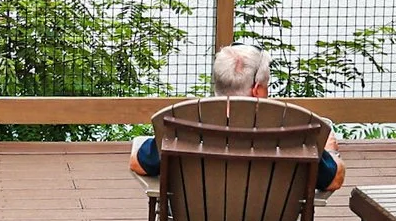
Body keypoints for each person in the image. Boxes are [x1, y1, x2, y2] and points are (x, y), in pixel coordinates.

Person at [128, 43, 348, 192]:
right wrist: (328, 150)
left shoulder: (186, 124)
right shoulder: (292, 129)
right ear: (256, 90)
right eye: (267, 85)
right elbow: (333, 180)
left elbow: (138, 163)